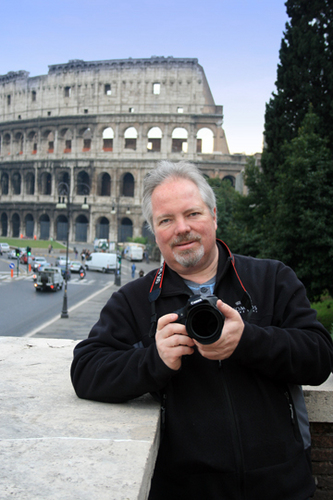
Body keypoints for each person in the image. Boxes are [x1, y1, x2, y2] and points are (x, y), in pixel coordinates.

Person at [71, 161, 333, 500]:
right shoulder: (136, 299)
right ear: (154, 230)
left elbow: (320, 355)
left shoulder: (271, 279)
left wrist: (248, 340)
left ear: (213, 216)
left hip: (282, 485)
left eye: (192, 214)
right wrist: (155, 360)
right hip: (184, 490)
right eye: (166, 220)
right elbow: (86, 370)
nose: (182, 228)